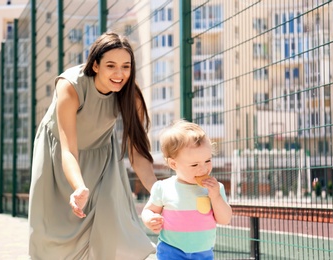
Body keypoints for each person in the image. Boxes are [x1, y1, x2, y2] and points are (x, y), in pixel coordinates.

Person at [28, 32, 157, 259]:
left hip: (102, 155)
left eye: (126, 66)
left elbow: (137, 151)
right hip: (59, 151)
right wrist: (79, 187)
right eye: (111, 66)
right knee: (49, 231)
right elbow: (68, 149)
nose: (119, 74)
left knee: (109, 222)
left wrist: (159, 192)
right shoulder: (70, 85)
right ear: (95, 65)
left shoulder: (130, 94)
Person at [141, 120, 232, 259]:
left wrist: (215, 197)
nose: (203, 168)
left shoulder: (215, 189)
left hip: (203, 252)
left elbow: (225, 219)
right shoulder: (163, 188)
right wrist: (149, 219)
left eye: (207, 160)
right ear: (173, 164)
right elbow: (148, 210)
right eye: (194, 164)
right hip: (171, 250)